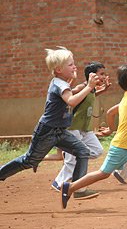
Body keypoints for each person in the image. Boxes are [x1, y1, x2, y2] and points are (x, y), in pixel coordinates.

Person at [0, 47, 99, 200]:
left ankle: (78, 189)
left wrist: (75, 82)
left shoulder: (61, 83)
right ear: (59, 69)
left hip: (59, 131)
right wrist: (89, 87)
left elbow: (68, 95)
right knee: (28, 161)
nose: (75, 67)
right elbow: (71, 101)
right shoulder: (60, 85)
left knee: (82, 151)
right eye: (71, 64)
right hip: (47, 131)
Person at [60, 63, 127, 209]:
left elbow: (111, 112)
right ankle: (70, 187)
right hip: (123, 145)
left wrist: (110, 129)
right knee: (103, 173)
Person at [49, 62, 111, 197]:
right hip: (73, 127)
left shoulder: (91, 89)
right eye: (101, 74)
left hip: (84, 128)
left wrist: (103, 90)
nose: (104, 76)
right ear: (92, 75)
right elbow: (69, 97)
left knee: (97, 150)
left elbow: (88, 96)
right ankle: (60, 183)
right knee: (72, 161)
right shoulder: (81, 87)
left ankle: (74, 158)